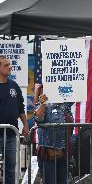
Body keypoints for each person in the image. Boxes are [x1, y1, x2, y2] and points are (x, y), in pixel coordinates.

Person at [34, 88, 74, 184]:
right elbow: (38, 118)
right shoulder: (44, 105)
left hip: (64, 151)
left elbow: (77, 89)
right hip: (49, 151)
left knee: (62, 181)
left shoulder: (65, 105)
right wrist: (43, 103)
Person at [0, 55, 29, 184]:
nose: (9, 67)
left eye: (9, 64)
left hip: (11, 134)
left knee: (11, 168)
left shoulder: (14, 85)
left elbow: (21, 108)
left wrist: (26, 125)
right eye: (6, 65)